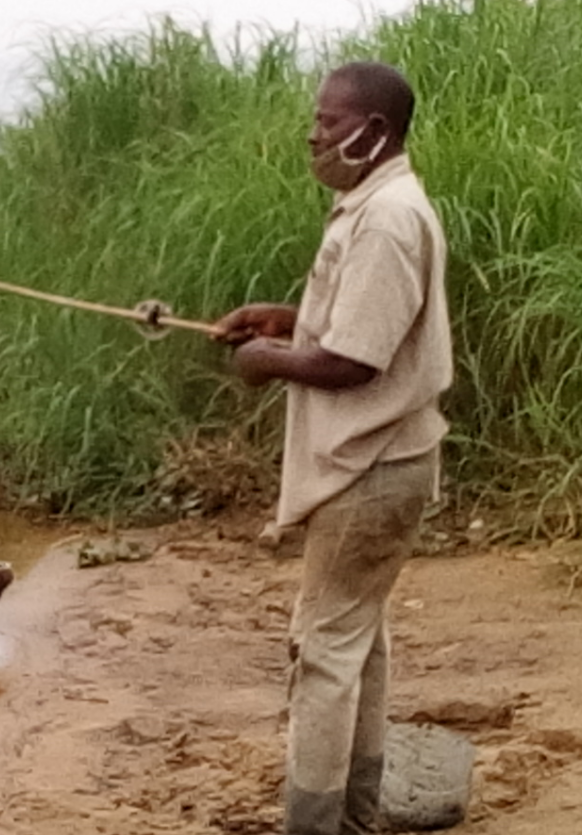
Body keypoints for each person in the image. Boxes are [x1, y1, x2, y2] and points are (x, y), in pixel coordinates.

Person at [213, 62, 451, 835]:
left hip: (370, 466)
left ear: (374, 132)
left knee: (324, 652)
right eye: (315, 119)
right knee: (357, 640)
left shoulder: (386, 219)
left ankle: (312, 823)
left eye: (328, 120)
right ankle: (352, 813)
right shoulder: (371, 204)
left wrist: (265, 364)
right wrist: (286, 320)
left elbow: (356, 362)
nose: (313, 133)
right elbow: (356, 323)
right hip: (384, 460)